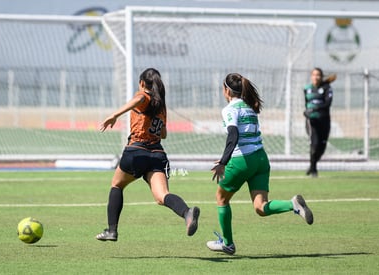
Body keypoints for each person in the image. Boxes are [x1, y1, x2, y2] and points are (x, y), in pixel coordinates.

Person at [206, 73, 314, 255]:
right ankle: (292, 204)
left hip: (243, 161)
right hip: (261, 160)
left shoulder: (229, 109)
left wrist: (223, 162)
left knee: (221, 198)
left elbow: (233, 135)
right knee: (260, 207)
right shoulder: (249, 106)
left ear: (226, 90)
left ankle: (228, 243)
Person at [96, 68, 200, 242]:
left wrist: (114, 115)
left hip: (137, 152)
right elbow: (164, 134)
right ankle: (186, 212)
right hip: (157, 155)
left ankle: (111, 230)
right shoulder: (161, 105)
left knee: (116, 184)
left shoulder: (144, 97)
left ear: (142, 83)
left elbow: (139, 99)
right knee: (162, 196)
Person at [303, 68, 334, 177]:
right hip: (312, 121)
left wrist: (314, 109)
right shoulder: (307, 89)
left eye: (318, 75)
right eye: (314, 75)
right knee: (314, 144)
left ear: (321, 77)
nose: (316, 77)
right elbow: (306, 104)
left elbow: (327, 104)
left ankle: (312, 164)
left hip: (324, 121)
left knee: (322, 147)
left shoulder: (327, 88)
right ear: (311, 76)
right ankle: (314, 170)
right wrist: (306, 112)